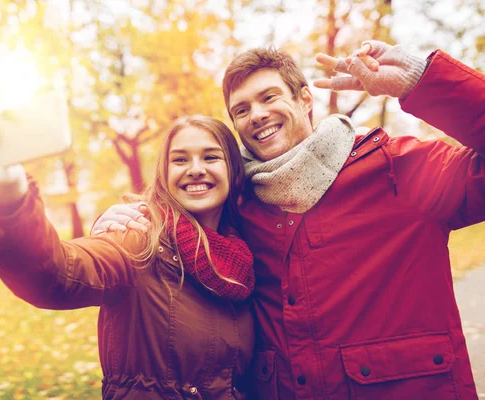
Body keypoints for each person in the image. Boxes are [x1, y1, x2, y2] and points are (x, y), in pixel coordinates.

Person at [94, 40, 485, 399]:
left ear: (304, 100)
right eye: (241, 110)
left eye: (269, 97)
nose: (257, 115)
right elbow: (181, 241)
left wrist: (423, 80)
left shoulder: (394, 169)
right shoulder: (242, 204)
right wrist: (121, 220)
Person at [0, 115, 258, 399]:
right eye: (180, 159)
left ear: (232, 169)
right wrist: (7, 207)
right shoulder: (138, 234)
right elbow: (56, 275)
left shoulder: (244, 256)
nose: (195, 169)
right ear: (164, 174)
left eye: (210, 156)